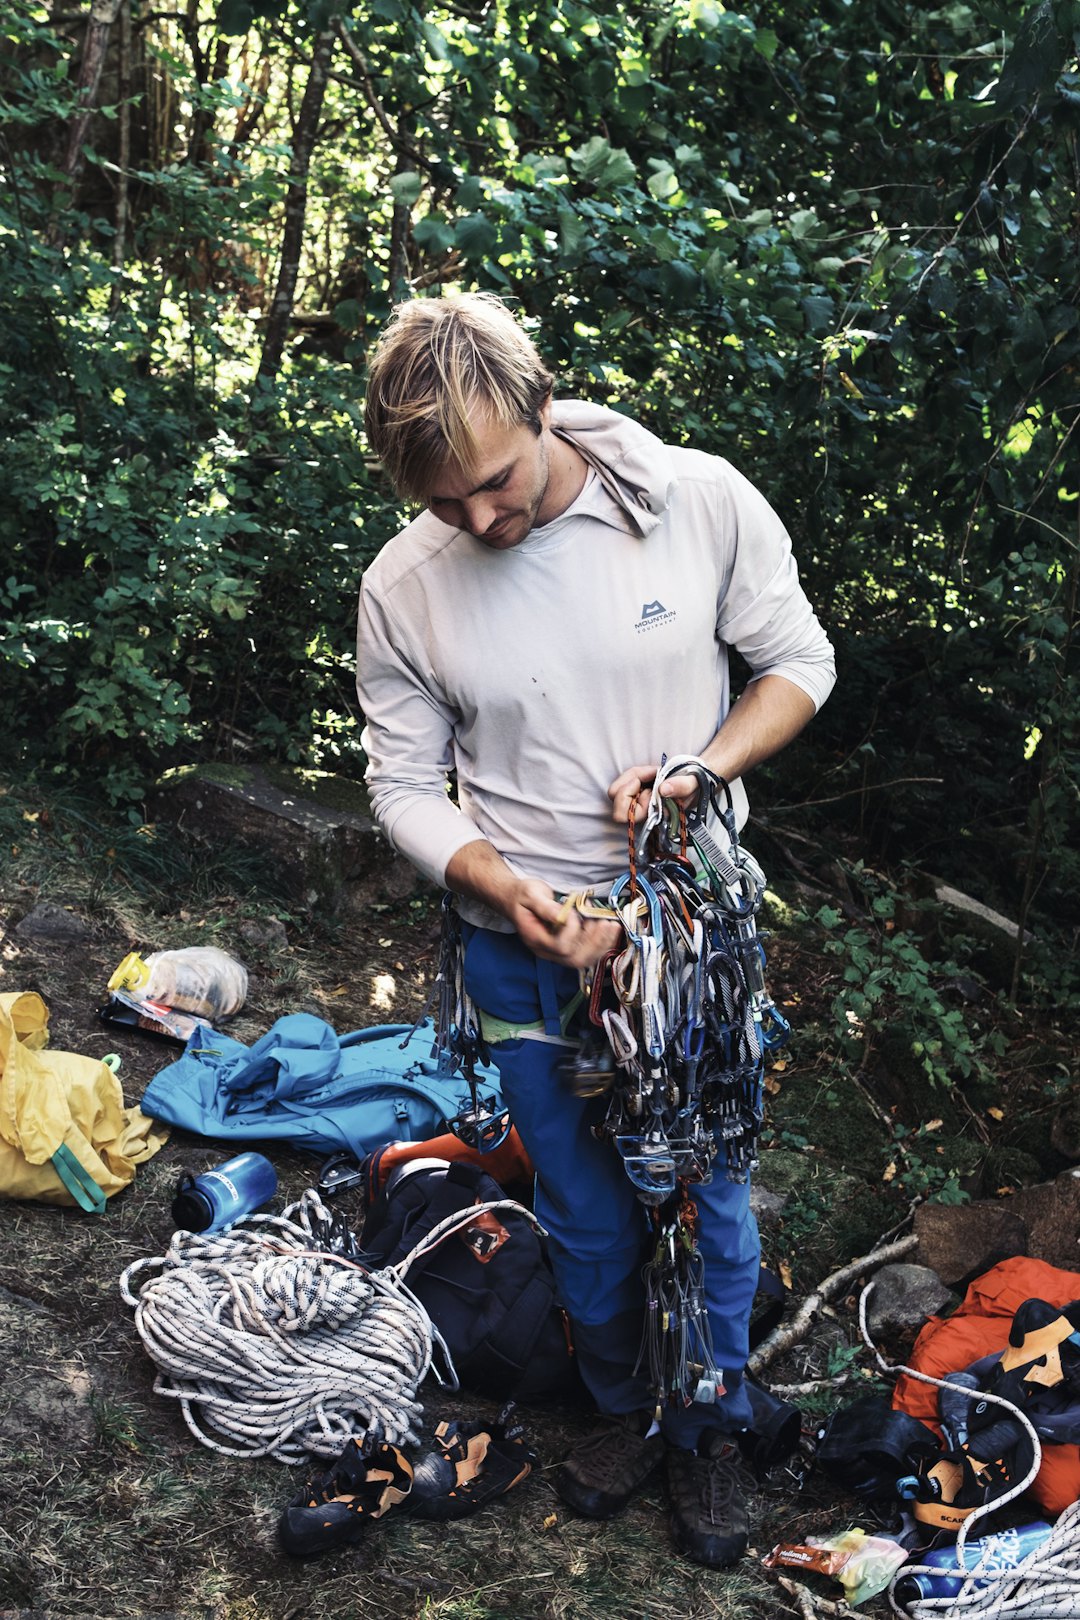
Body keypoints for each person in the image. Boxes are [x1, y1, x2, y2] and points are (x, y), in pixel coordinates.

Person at [355, 291, 835, 1568]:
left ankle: (715, 1423)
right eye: (445, 503)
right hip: (520, 939)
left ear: (540, 402)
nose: (478, 520)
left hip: (686, 933)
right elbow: (401, 783)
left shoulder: (695, 501)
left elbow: (798, 660)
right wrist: (498, 880)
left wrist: (701, 770)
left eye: (495, 483)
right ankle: (626, 1407)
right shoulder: (407, 585)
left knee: (708, 1194)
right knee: (578, 1201)